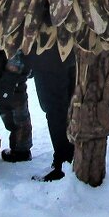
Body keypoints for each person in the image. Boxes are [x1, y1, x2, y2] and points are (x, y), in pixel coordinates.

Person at [26, 46, 76, 182]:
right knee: (68, 104)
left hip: (47, 55)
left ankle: (64, 160)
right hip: (70, 51)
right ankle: (72, 156)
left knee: (55, 108)